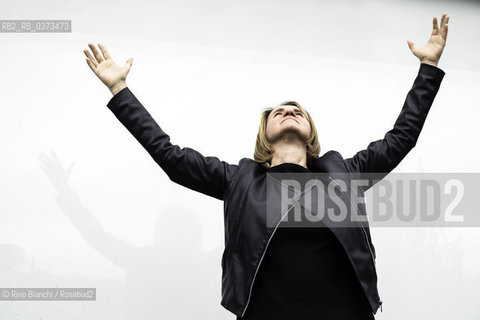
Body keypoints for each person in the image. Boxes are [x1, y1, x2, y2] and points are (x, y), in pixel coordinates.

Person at [83, 13, 449, 319]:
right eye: (279, 111)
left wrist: (428, 68)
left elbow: (401, 138)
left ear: (310, 134)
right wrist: (120, 90)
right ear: (265, 135)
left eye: (297, 110)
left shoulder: (344, 173)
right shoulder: (239, 179)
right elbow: (170, 156)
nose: (289, 110)